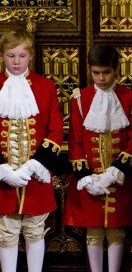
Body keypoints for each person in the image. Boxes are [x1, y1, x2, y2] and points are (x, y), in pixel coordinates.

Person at [63, 44, 132, 272]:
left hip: (119, 178)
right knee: (93, 232)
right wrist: (86, 178)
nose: (101, 78)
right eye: (96, 72)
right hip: (90, 180)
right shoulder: (80, 99)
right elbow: (75, 141)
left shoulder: (130, 97)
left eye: (106, 72)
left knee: (117, 232)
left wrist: (113, 174)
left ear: (116, 70)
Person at [0, 28, 63, 272]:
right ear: (3, 57)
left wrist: (34, 165)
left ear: (31, 57)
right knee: (6, 232)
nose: (17, 62)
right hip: (4, 179)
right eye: (10, 56)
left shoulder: (45, 86)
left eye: (22, 56)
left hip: (35, 176)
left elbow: (55, 130)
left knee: (35, 230)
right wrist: (4, 169)